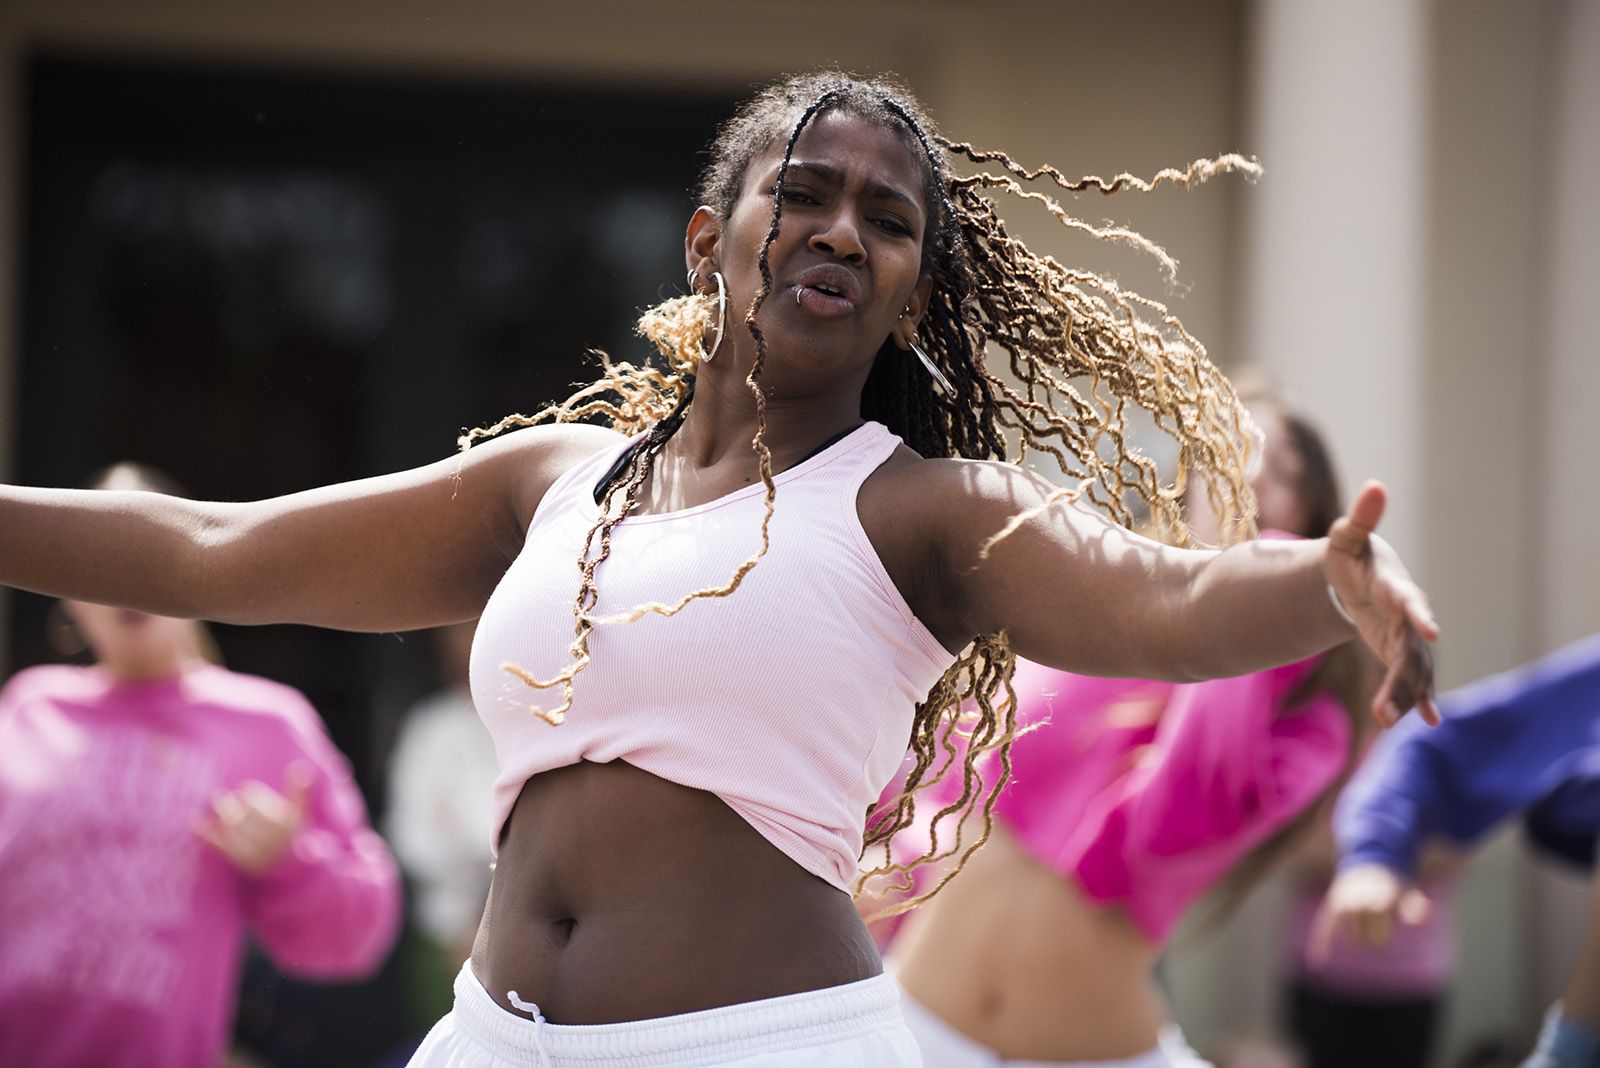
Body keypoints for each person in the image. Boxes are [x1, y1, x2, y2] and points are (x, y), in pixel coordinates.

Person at [0, 72, 1438, 1068]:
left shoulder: (925, 514)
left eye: (888, 221)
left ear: (912, 293)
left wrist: (1322, 580)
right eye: (805, 193)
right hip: (495, 1036)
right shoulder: (552, 482)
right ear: (712, 242)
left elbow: (1168, 603)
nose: (841, 230)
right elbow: (212, 547)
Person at [879, 400, 1376, 1067]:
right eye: (1237, 451)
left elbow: (1176, 823)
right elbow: (944, 781)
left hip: (1092, 1050)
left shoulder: (1313, 719)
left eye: (1284, 471)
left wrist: (1247, 581)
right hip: (916, 1024)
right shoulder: (1087, 597)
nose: (1253, 478)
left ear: (1314, 516)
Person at [0, 464, 402, 1068]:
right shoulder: (29, 707)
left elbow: (362, 934)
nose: (130, 576)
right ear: (67, 596)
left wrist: (289, 863)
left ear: (196, 566)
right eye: (102, 554)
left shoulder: (268, 724)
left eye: (150, 550)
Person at [1313, 634, 1600, 1068]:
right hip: (1330, 973)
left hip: (1412, 974)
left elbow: (1452, 853)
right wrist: (1376, 855)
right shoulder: (1338, 754)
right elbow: (1437, 751)